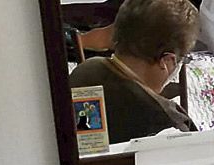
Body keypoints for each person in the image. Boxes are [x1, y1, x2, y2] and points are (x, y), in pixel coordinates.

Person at [68, 0, 198, 144]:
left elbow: (87, 146)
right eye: (184, 59)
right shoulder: (170, 124)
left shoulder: (84, 73)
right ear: (166, 61)